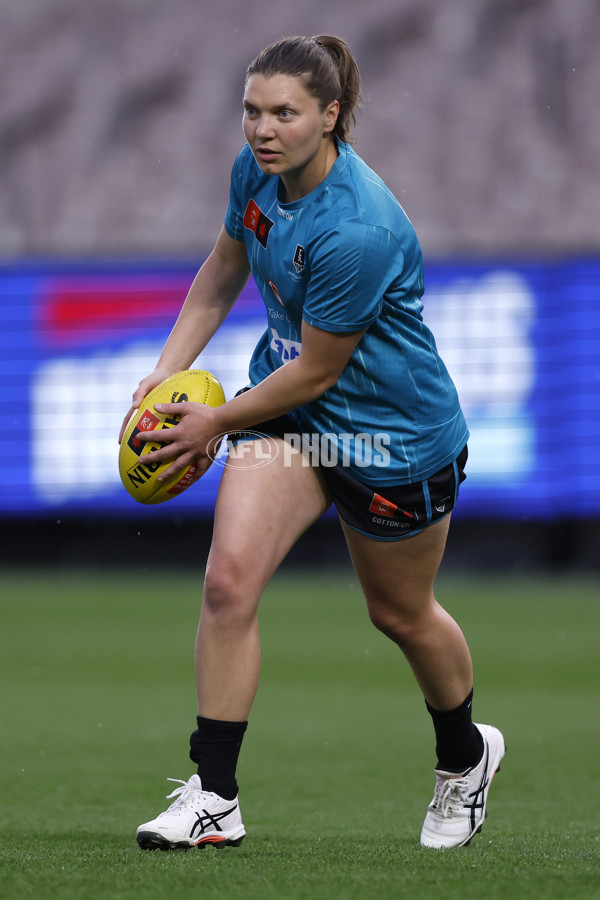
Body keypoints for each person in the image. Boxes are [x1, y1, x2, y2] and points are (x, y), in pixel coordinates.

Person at [121, 34, 505, 851]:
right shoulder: (254, 172)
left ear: (330, 116)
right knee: (228, 584)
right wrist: (167, 370)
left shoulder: (356, 229)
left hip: (389, 438)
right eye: (253, 111)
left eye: (285, 114)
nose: (264, 130)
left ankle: (465, 757)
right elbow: (223, 269)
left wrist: (216, 420)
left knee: (399, 614)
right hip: (292, 417)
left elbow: (319, 371)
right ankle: (215, 797)